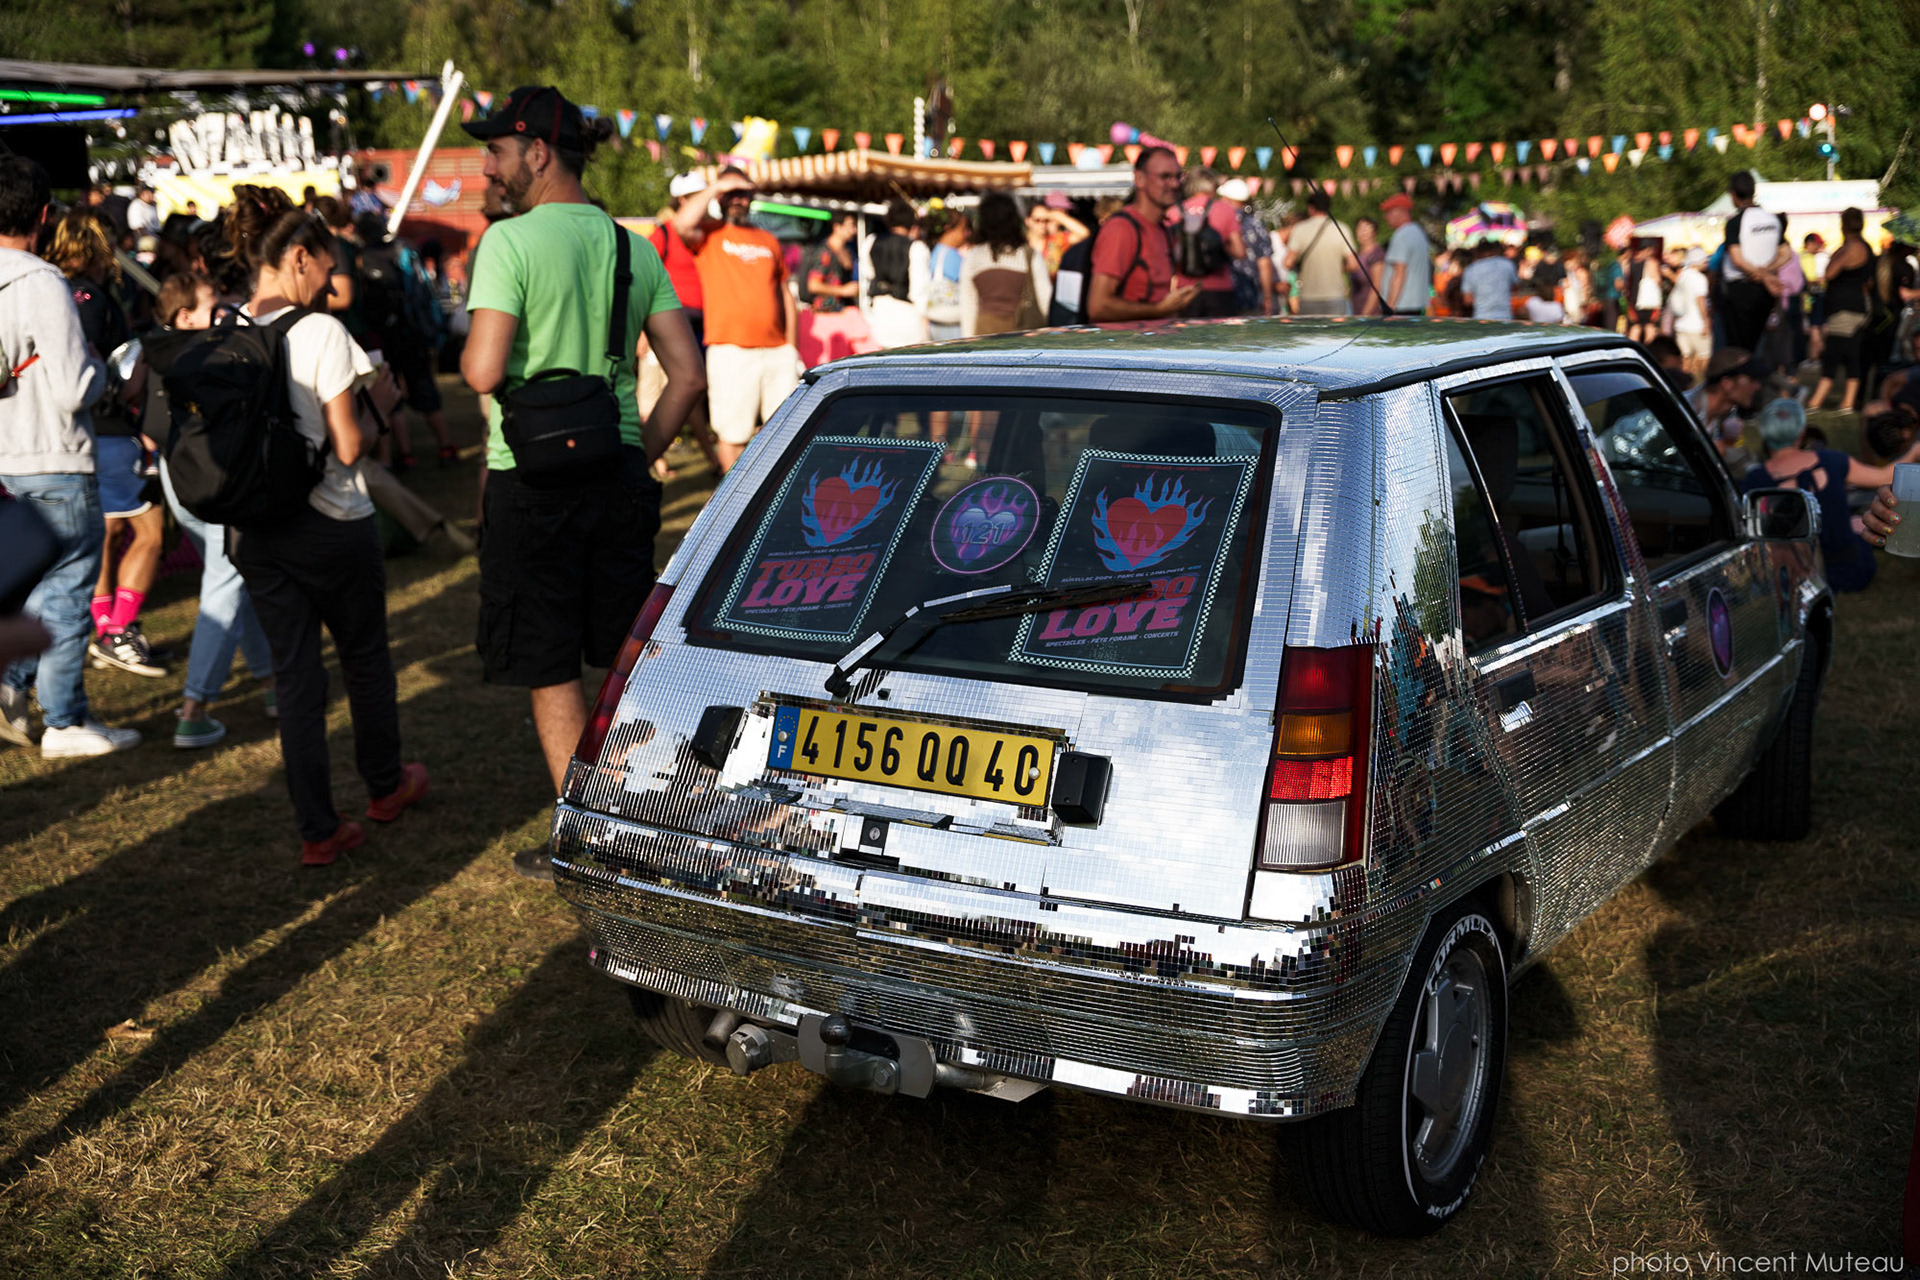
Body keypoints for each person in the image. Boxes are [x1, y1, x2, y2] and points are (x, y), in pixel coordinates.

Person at [459, 86, 704, 881]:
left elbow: (484, 369)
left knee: (547, 656)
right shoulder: (635, 248)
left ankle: (592, 832)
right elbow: (687, 374)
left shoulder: (510, 242)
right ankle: (662, 809)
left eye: (497, 151)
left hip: (530, 482)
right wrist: (640, 449)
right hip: (618, 478)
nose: (489, 166)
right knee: (624, 653)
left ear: (537, 153)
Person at [216, 186, 426, 864]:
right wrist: (384, 406)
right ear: (299, 257)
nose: (333, 283)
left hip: (255, 532)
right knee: (364, 660)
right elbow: (347, 444)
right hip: (332, 522)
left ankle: (317, 830)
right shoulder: (322, 332)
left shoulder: (226, 326)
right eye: (328, 268)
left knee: (296, 679)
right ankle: (386, 786)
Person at [0, 156, 138, 758]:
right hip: (56, 453)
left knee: (30, 585)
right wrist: (104, 369)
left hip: (6, 455)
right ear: (44, 214)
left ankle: (12, 692)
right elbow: (72, 387)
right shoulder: (41, 281)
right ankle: (63, 719)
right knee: (66, 590)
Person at [144, 272, 277, 748]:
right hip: (212, 480)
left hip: (179, 479)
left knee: (237, 576)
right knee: (225, 583)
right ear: (185, 317)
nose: (222, 312)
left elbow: (149, 423)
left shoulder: (154, 351)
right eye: (211, 306)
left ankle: (270, 683)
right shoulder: (205, 354)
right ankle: (193, 710)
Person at [44, 209, 163, 679]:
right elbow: (107, 368)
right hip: (109, 429)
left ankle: (108, 629)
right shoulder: (92, 298)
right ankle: (116, 629)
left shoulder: (53, 292)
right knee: (150, 533)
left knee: (108, 535)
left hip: (74, 431)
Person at [670, 166, 797, 472]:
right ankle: (737, 513)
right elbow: (681, 223)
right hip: (731, 351)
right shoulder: (709, 234)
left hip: (777, 350)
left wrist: (791, 346)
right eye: (732, 194)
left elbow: (785, 295)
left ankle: (774, 501)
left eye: (744, 193)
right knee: (733, 436)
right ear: (721, 197)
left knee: (787, 434)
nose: (738, 199)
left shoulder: (768, 239)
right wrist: (717, 186)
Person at [1746, 397, 1920, 592]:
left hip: (1793, 576)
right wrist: (1913, 452)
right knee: (1857, 522)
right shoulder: (1831, 460)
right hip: (1849, 571)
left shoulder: (1756, 480)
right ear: (1802, 431)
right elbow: (1885, 476)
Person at [1086, 146, 1197, 322]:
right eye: (1165, 177)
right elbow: (1098, 307)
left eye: (1178, 176)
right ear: (1139, 179)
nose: (1175, 184)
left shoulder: (1163, 229)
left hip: (1155, 343)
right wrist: (1159, 310)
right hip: (1126, 345)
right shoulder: (1121, 229)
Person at [1810, 209, 1875, 414]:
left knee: (1835, 354)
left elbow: (1830, 273)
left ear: (1844, 225)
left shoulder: (1852, 248)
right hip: (1855, 307)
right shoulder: (1864, 247)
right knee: (1850, 355)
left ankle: (1818, 401)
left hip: (1845, 309)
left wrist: (1837, 254)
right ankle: (1846, 402)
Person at [959, 193, 1051, 337]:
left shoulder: (973, 256)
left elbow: (968, 306)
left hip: (984, 334)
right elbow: (1045, 300)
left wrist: (969, 340)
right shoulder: (1028, 255)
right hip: (1023, 335)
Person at [1719, 171, 1789, 353]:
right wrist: (1767, 272)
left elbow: (1737, 259)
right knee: (1757, 344)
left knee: (1737, 347)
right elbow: (1786, 253)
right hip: (1765, 292)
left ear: (1733, 195)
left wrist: (1762, 275)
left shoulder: (1735, 222)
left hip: (1739, 290)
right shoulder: (1773, 219)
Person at [1171, 168, 1246, 317]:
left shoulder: (1173, 211)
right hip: (1219, 288)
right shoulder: (1225, 209)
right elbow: (1240, 252)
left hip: (1184, 289)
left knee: (1186, 338)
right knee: (1219, 338)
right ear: (1212, 185)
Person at [1688, 347, 1765, 469]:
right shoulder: (1685, 412)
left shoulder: (1724, 419)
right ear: (1727, 383)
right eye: (1751, 379)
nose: (1757, 386)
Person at [867, 199, 929, 348]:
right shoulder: (917, 247)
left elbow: (868, 274)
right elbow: (919, 291)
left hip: (880, 317)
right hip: (908, 320)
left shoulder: (871, 241)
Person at [1217, 179, 1275, 317]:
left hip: (1219, 294)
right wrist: (1267, 297)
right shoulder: (1255, 225)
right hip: (1249, 295)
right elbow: (1264, 263)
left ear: (1227, 199)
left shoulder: (1217, 221)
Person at [310, 195, 361, 333]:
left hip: (350, 328)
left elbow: (342, 297)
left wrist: (304, 301)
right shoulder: (338, 243)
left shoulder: (335, 246)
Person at [1379, 194, 1431, 316]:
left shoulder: (1401, 235)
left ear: (1399, 211)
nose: (1386, 217)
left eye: (1388, 212)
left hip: (1401, 305)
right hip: (1417, 303)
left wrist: (1390, 306)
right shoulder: (1419, 232)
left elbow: (1399, 271)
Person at [1666, 248, 1712, 377]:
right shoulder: (1699, 278)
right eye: (1704, 259)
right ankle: (1697, 390)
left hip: (1681, 325)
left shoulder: (1682, 276)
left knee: (1685, 362)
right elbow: (1700, 300)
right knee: (1702, 362)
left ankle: (1684, 388)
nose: (1706, 262)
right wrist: (1706, 322)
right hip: (1697, 326)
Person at [924, 210, 969, 340]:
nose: (966, 234)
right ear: (949, 229)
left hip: (935, 321)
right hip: (952, 323)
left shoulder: (936, 251)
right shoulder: (951, 255)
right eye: (963, 229)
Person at [803, 211, 859, 312]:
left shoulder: (848, 252)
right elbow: (813, 285)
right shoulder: (824, 252)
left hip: (845, 312)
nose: (854, 230)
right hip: (826, 313)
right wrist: (843, 290)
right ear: (837, 227)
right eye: (851, 225)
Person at [1460, 239, 1520, 321]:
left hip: (1481, 317)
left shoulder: (1471, 269)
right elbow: (1516, 287)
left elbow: (1468, 300)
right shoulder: (1507, 264)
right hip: (1505, 316)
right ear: (1495, 250)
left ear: (1478, 252)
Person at [1351, 216, 1386, 316]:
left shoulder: (1377, 255)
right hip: (1356, 309)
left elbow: (1377, 287)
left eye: (1367, 229)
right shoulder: (1356, 255)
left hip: (1372, 313)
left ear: (1374, 232)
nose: (1363, 232)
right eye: (1360, 228)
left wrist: (1365, 315)